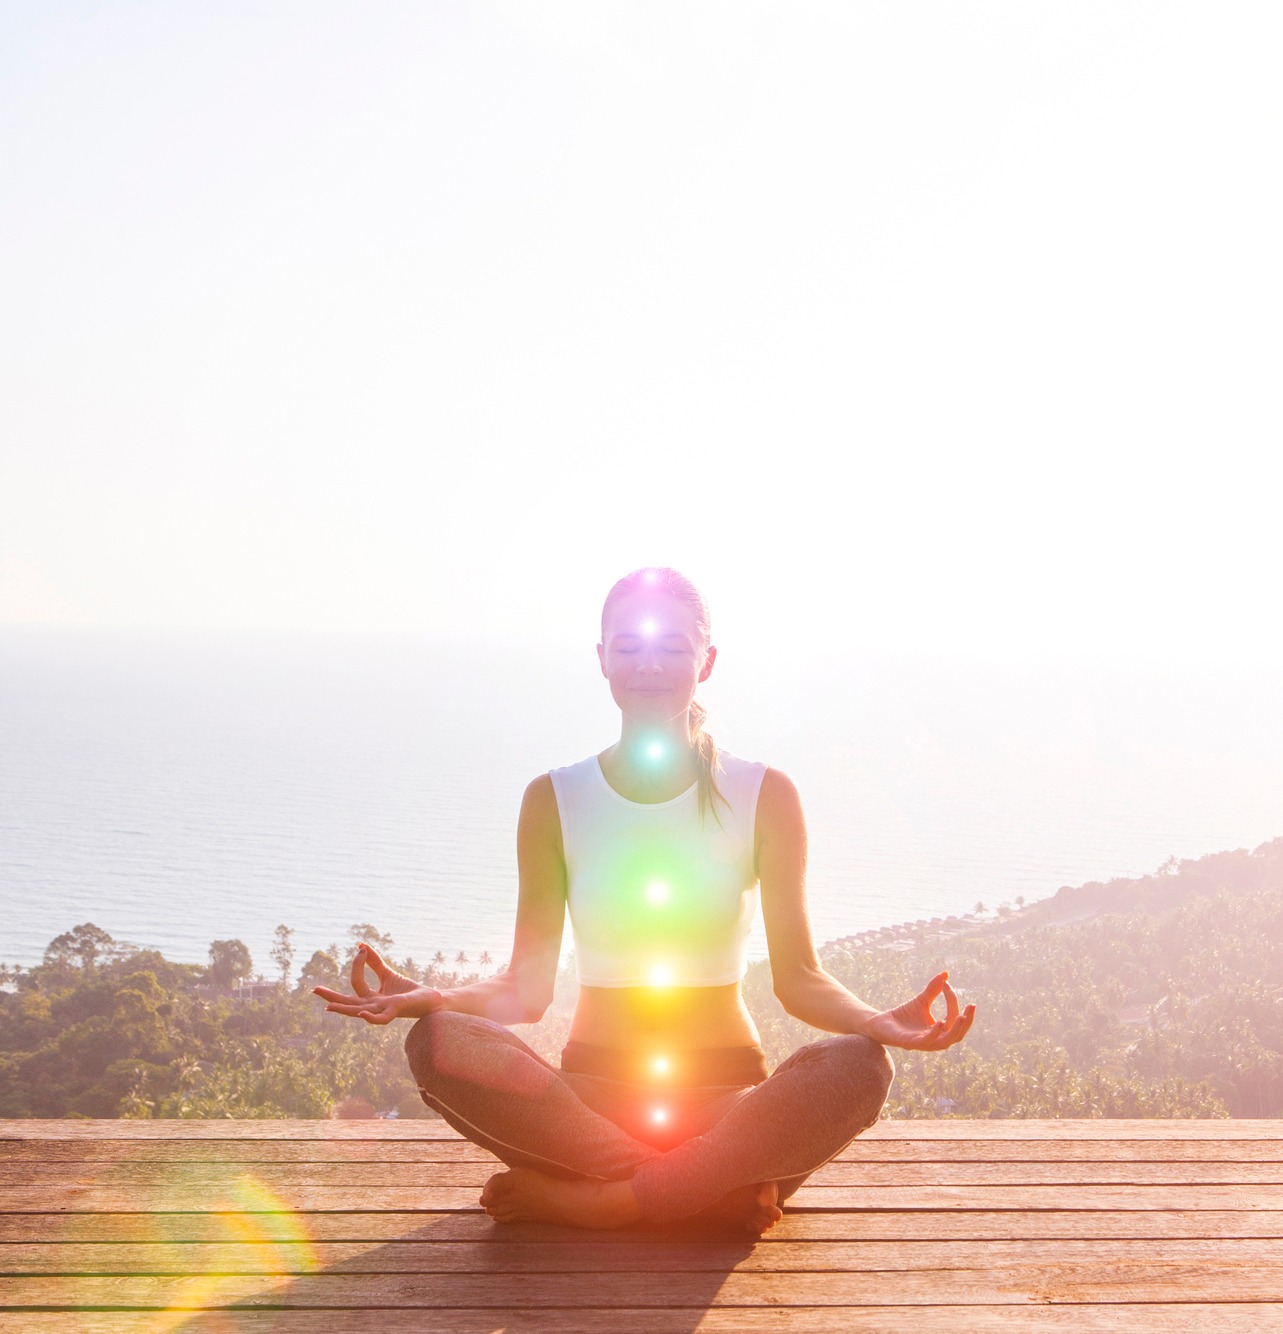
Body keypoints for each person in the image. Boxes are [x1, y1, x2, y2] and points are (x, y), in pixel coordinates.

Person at [314, 567, 975, 1233]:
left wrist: (875, 1023)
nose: (648, 664)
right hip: (587, 1110)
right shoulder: (554, 800)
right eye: (627, 647)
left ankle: (607, 1201)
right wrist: (435, 999)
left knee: (859, 1066)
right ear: (601, 659)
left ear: (706, 661)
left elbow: (799, 980)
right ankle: (704, 1193)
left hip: (727, 1107)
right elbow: (525, 989)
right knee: (439, 1043)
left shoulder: (763, 795)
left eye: (671, 647)